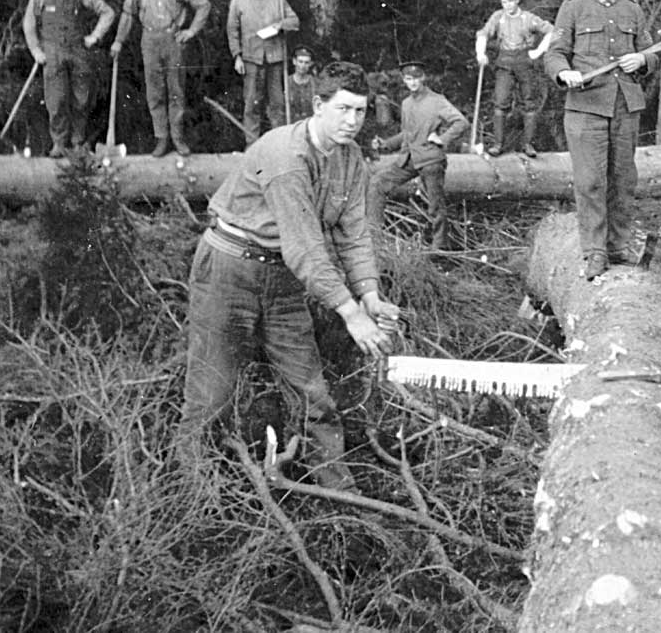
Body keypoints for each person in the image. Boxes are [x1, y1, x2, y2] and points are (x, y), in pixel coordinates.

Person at [180, 61, 399, 491]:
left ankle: (340, 497)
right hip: (229, 271)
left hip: (281, 279)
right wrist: (351, 314)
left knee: (311, 390)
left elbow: (353, 234)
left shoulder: (351, 159)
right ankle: (190, 496)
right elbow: (305, 248)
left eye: (360, 111)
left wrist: (370, 295)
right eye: (342, 109)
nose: (353, 121)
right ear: (317, 106)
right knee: (212, 395)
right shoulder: (287, 156)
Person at [544, 0, 659, 280]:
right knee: (591, 181)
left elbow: (651, 52)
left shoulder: (632, 10)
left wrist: (641, 59)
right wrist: (564, 72)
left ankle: (618, 246)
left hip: (625, 105)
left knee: (623, 179)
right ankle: (595, 251)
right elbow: (555, 53)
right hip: (585, 107)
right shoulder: (573, 8)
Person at [110, 0, 211, 157]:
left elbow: (203, 4)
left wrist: (191, 32)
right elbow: (128, 14)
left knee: (176, 90)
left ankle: (178, 137)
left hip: (172, 41)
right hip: (149, 40)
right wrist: (119, 40)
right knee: (154, 92)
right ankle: (161, 138)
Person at [22, 0, 116, 158]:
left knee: (81, 99)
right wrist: (36, 50)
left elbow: (107, 12)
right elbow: (29, 22)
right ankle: (59, 143)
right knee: (56, 100)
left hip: (77, 50)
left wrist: (94, 37)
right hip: (52, 52)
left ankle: (78, 143)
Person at [367, 60, 468, 250]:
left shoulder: (437, 101)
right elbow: (407, 134)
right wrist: (386, 144)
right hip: (409, 159)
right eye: (408, 79)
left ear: (423, 78)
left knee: (435, 206)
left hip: (430, 160)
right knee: (377, 183)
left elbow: (460, 122)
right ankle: (374, 240)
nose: (412, 82)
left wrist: (442, 138)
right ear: (404, 80)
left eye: (415, 78)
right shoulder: (406, 103)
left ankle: (440, 248)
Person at [475, 0, 555, 158]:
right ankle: (498, 144)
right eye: (504, 2)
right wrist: (480, 53)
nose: (507, 5)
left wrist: (538, 51)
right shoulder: (498, 17)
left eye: (510, 1)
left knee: (529, 102)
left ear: (517, 0)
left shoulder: (528, 18)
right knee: (501, 101)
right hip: (504, 62)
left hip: (525, 62)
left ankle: (528, 145)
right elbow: (483, 34)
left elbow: (552, 31)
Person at [227, 0, 300, 146]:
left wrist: (280, 25)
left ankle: (279, 146)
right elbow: (232, 30)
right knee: (252, 105)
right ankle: (252, 146)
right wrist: (237, 56)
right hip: (251, 59)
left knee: (277, 105)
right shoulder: (239, 0)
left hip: (275, 59)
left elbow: (294, 21)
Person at [286, 45, 317, 121]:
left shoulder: (315, 83)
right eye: (300, 61)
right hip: (290, 127)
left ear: (311, 64)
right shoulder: (286, 82)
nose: (303, 66)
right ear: (294, 61)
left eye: (306, 62)